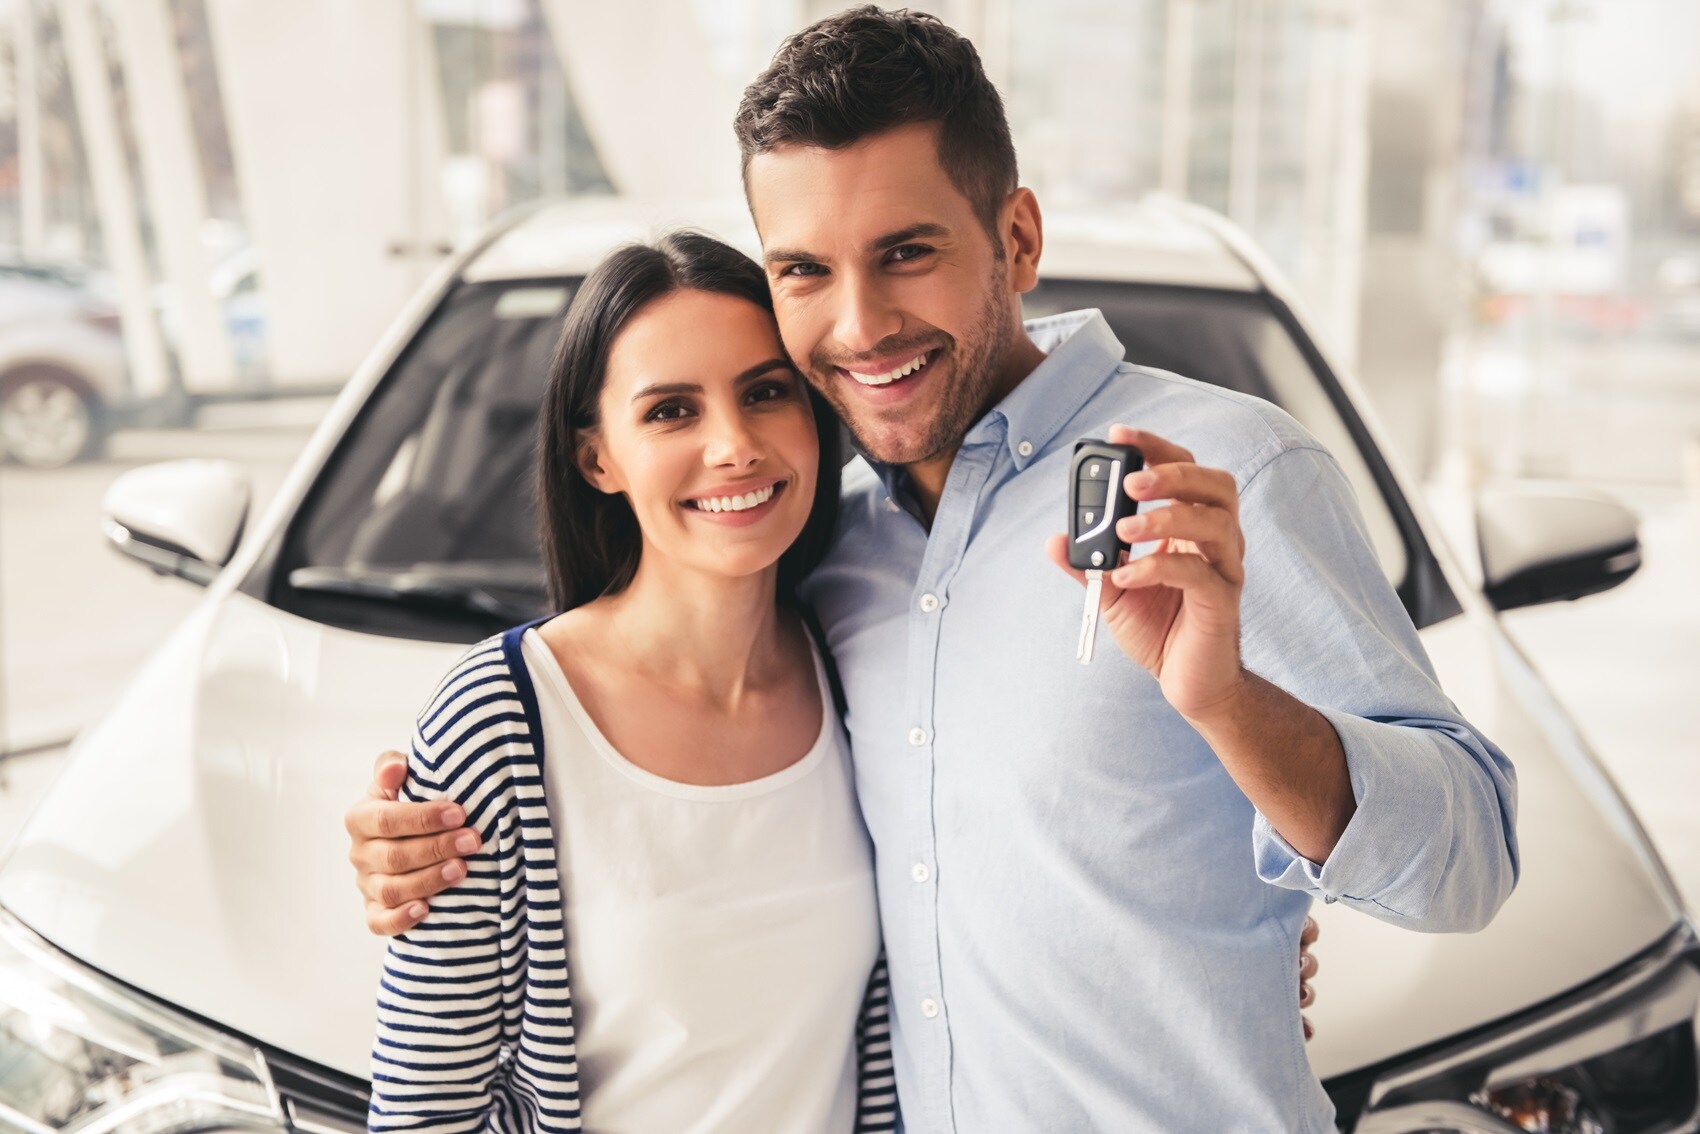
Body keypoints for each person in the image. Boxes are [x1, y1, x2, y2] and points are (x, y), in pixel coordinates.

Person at [350, 8, 1518, 1131]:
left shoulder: (1223, 476)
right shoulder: (823, 552)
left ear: (1015, 238)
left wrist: (1229, 711)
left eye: (904, 253)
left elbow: (1464, 868)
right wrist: (424, 858)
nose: (859, 325)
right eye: (803, 270)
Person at [366, 233, 896, 1133]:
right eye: (670, 412)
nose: (733, 446)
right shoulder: (503, 722)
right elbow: (424, 1114)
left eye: (766, 393)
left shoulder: (862, 663)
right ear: (596, 458)